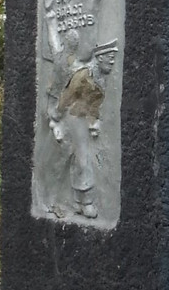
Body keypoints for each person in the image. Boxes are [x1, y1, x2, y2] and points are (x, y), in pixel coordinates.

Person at [49, 40, 119, 219]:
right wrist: (56, 117)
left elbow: (94, 104)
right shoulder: (83, 75)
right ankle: (85, 201)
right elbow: (66, 96)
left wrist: (94, 121)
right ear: (100, 57)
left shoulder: (101, 77)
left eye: (113, 59)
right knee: (81, 159)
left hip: (83, 119)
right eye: (110, 58)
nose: (112, 62)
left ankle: (77, 202)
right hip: (72, 118)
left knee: (81, 159)